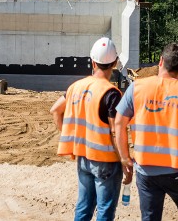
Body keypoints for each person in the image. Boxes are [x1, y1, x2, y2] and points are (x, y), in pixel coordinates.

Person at [114, 42, 178, 221]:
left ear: (160, 61)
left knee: (150, 218)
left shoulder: (137, 88)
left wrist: (125, 157)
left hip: (146, 171)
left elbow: (119, 123)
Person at [50, 37, 132, 221]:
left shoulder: (74, 87)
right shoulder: (111, 93)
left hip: (83, 157)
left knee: (84, 206)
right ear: (115, 63)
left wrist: (69, 135)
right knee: (105, 209)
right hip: (106, 161)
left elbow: (55, 110)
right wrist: (125, 160)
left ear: (93, 62)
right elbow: (115, 131)